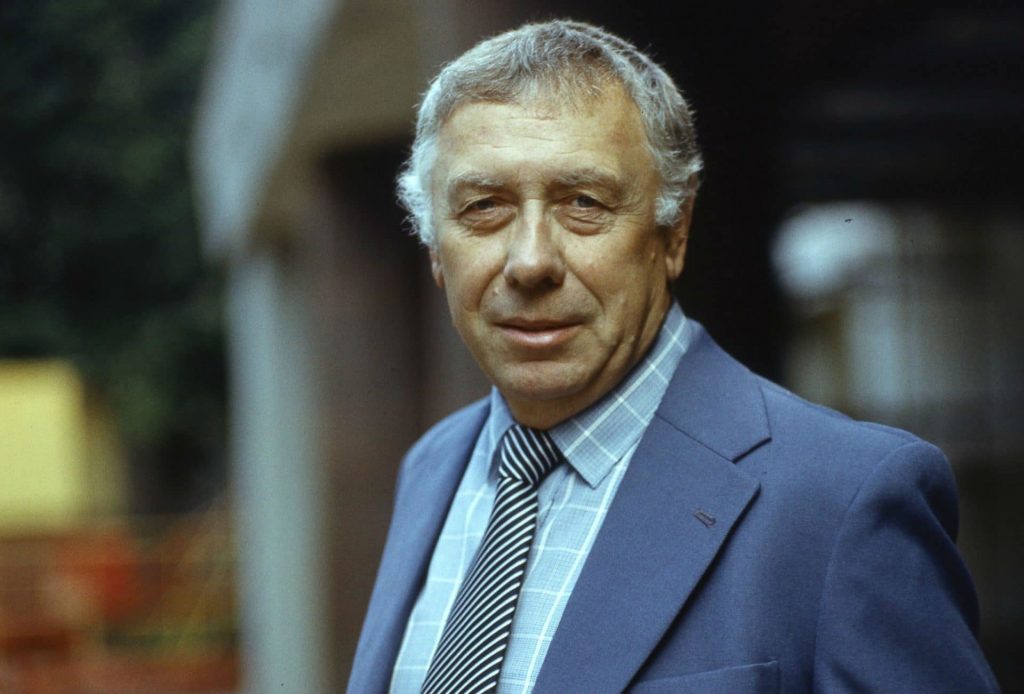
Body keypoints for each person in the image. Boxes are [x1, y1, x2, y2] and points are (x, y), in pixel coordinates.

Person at [349, 20, 999, 694]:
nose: (531, 261)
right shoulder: (433, 469)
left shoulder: (841, 501)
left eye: (583, 203)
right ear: (435, 247)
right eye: (484, 207)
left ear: (674, 233)